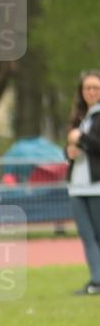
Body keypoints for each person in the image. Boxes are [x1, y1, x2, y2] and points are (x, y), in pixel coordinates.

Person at [65, 70, 100, 295]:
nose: (91, 92)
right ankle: (96, 280)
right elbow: (71, 148)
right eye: (87, 88)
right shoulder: (80, 117)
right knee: (87, 236)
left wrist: (81, 139)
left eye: (95, 87)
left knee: (98, 234)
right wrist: (69, 151)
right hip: (77, 185)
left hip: (97, 187)